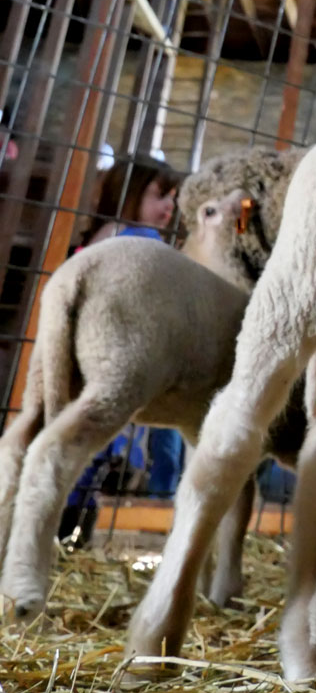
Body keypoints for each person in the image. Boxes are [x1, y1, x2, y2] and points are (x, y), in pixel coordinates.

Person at [59, 157, 185, 544]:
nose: (168, 206)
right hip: (111, 348)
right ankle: (74, 521)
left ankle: (78, 519)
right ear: (127, 194)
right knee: (94, 440)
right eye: (158, 195)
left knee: (97, 441)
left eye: (173, 198)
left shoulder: (127, 235)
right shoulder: (129, 236)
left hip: (115, 351)